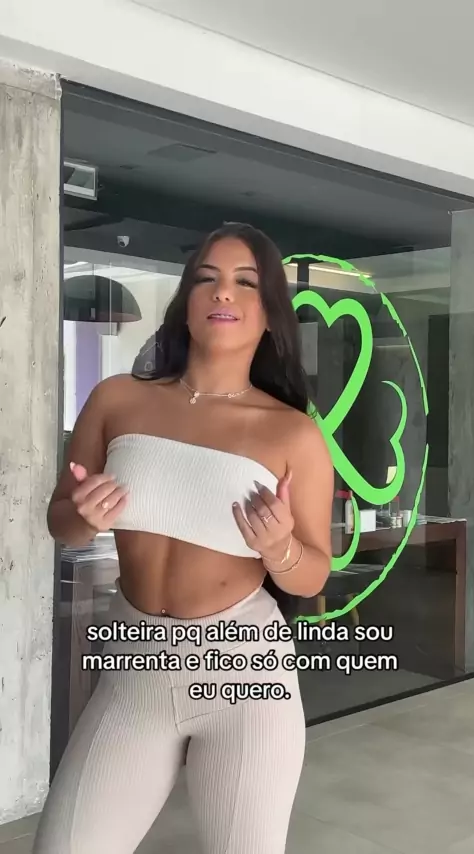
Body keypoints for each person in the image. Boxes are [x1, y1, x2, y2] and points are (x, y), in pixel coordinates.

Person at [33, 222, 333, 854]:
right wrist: (84, 517)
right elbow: (61, 519)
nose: (223, 292)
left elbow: (311, 575)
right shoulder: (117, 399)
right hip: (135, 666)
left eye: (245, 282)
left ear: (268, 314)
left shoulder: (293, 434)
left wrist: (278, 548)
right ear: (186, 303)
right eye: (207, 278)